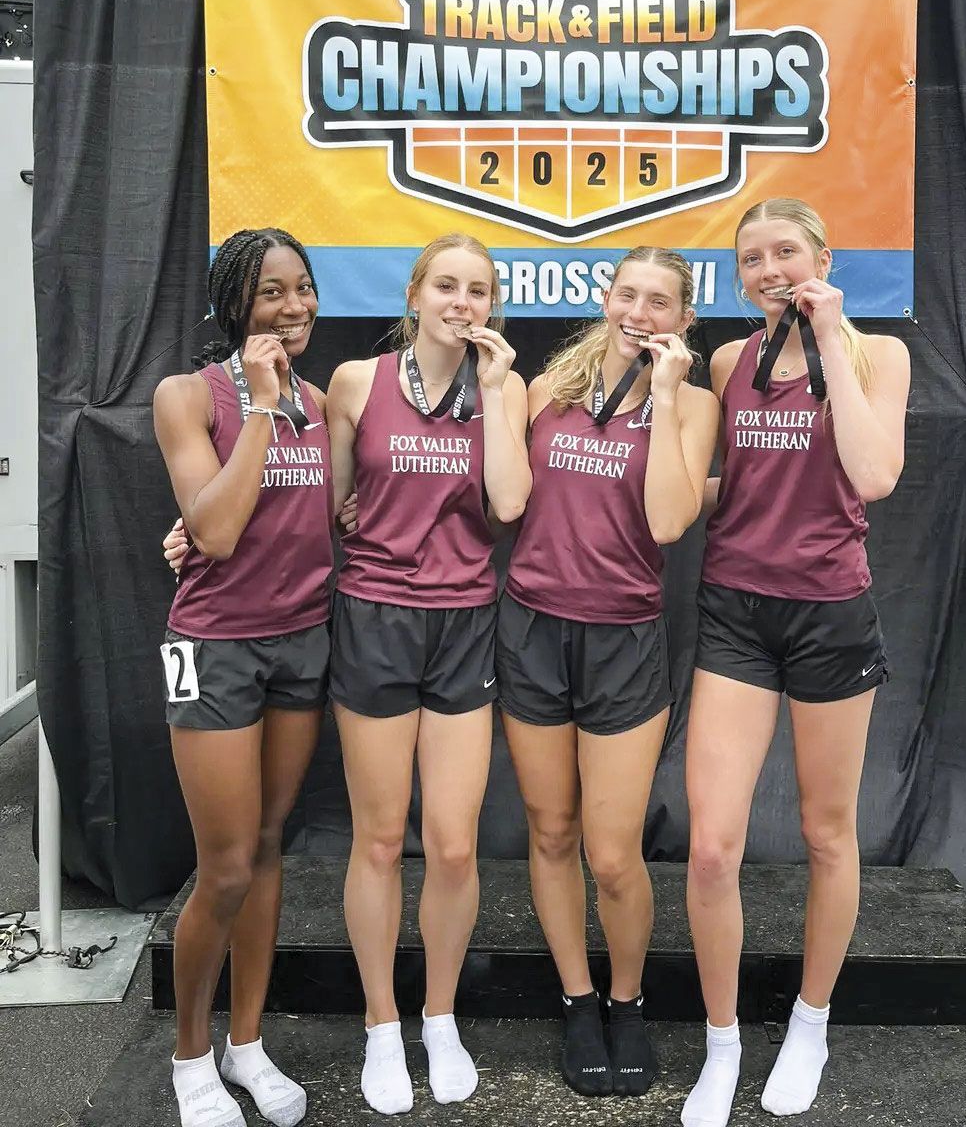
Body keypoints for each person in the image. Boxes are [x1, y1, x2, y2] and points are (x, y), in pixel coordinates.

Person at [680, 198, 910, 1127]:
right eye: (752, 259)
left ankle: (811, 1023)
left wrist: (827, 340)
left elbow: (874, 475)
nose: (770, 269)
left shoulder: (877, 355)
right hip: (736, 611)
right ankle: (722, 1042)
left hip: (830, 614)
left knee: (825, 833)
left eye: (786, 252)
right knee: (710, 846)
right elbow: (727, 484)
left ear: (823, 257)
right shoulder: (728, 362)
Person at [496, 246, 719, 1099]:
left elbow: (668, 522)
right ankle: (578, 1000)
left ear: (684, 319)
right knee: (551, 833)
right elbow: (494, 492)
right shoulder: (549, 388)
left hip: (624, 639)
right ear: (606, 297)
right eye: (628, 294)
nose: (640, 313)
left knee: (614, 853)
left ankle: (628, 1001)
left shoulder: (695, 404)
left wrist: (663, 397)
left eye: (660, 302)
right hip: (533, 629)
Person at [325, 232, 531, 1116]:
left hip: (463, 621)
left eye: (477, 290)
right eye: (446, 285)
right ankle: (381, 1025)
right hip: (374, 617)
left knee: (451, 844)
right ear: (413, 294)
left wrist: (498, 391)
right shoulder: (355, 383)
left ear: (492, 306)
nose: (461, 302)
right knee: (379, 840)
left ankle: (438, 1017)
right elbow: (325, 505)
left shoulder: (505, 388)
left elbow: (510, 503)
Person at [153, 227, 333, 1127]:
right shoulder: (189, 395)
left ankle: (248, 1044)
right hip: (216, 645)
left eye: (302, 288)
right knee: (223, 868)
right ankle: (190, 1057)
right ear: (235, 304)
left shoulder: (321, 401)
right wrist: (260, 409)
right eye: (271, 292)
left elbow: (335, 514)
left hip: (301, 640)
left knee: (266, 848)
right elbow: (217, 532)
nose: (293, 307)